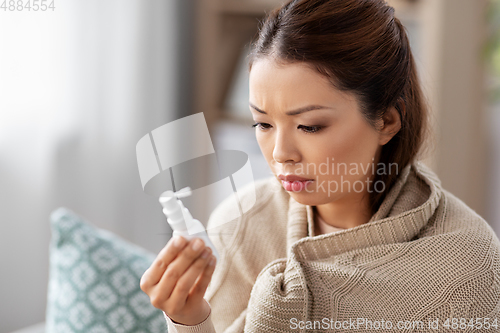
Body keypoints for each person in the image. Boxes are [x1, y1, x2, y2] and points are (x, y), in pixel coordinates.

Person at [140, 0, 500, 332]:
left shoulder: (468, 266)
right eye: (263, 124)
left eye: (310, 126)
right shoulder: (243, 223)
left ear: (387, 121)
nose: (281, 153)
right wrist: (189, 319)